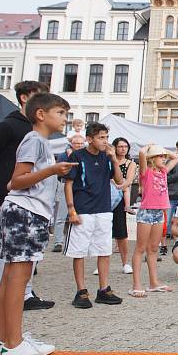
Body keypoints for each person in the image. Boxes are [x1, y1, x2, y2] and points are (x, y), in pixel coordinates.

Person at [0, 92, 75, 355]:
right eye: (61, 113)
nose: (65, 118)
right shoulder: (35, 140)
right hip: (26, 213)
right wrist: (53, 171)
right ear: (41, 114)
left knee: (11, 275)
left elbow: (13, 183)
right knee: (19, 276)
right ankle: (14, 344)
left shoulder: (39, 142)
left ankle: (5, 340)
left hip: (24, 212)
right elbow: (17, 181)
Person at [0, 80, 54, 318]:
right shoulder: (7, 126)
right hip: (5, 196)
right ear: (25, 98)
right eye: (41, 97)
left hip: (31, 199)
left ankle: (25, 294)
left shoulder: (38, 131)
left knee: (27, 251)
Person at [64, 122, 124, 308]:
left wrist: (114, 159)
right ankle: (81, 291)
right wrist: (71, 209)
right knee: (79, 251)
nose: (105, 141)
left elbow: (119, 181)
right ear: (89, 139)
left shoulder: (107, 157)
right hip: (83, 210)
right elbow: (68, 184)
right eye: (101, 137)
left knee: (104, 250)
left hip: (104, 209)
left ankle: (103, 289)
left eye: (106, 137)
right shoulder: (77, 156)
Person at [129, 144, 178, 297]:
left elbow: (176, 156)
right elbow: (141, 153)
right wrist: (150, 146)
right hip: (146, 212)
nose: (164, 159)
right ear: (151, 158)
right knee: (140, 248)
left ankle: (153, 283)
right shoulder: (146, 172)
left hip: (159, 212)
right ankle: (136, 285)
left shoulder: (163, 171)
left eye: (164, 157)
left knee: (153, 249)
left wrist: (163, 150)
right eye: (160, 156)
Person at [52, 135, 86, 253]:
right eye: (77, 143)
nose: (80, 145)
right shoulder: (63, 155)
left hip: (80, 187)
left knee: (80, 215)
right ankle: (58, 242)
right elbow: (59, 171)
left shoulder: (85, 155)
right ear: (72, 143)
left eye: (82, 143)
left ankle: (75, 241)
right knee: (61, 215)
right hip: (64, 184)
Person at [111, 137, 136, 274]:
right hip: (107, 196)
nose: (123, 149)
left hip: (120, 196)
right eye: (120, 146)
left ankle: (125, 262)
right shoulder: (109, 160)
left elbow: (129, 181)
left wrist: (119, 185)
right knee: (104, 232)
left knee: (121, 232)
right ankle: (101, 261)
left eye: (125, 146)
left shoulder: (130, 163)